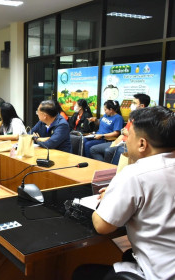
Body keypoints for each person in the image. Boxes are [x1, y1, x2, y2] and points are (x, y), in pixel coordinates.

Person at [73, 106, 175, 280]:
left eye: (129, 136)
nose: (125, 140)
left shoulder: (135, 174)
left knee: (82, 274)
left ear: (142, 144)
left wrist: (106, 199)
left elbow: (102, 226)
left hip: (159, 274)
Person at [90, 94, 150, 163]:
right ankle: (103, 168)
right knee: (94, 149)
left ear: (142, 106)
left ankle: (107, 170)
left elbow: (139, 136)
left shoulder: (145, 119)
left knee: (108, 151)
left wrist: (126, 133)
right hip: (121, 142)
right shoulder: (132, 117)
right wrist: (114, 143)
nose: (131, 105)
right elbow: (122, 133)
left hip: (130, 145)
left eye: (134, 103)